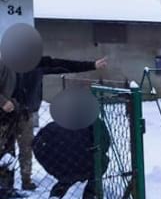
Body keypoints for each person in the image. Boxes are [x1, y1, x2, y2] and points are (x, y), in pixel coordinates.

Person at [12, 56, 107, 191]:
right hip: (4, 113)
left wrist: (92, 65)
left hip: (25, 113)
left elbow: (63, 64)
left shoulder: (37, 63)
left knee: (26, 148)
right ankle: (5, 185)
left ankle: (25, 180)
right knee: (6, 150)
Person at [32, 120, 109, 199]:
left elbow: (37, 145)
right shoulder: (94, 122)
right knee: (103, 161)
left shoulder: (52, 126)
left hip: (63, 166)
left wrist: (51, 167)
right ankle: (90, 195)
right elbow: (105, 142)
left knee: (68, 175)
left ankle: (56, 195)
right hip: (87, 163)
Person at [0, 61, 18, 199]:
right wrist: (3, 102)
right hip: (3, 113)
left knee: (9, 153)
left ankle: (7, 189)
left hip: (10, 116)